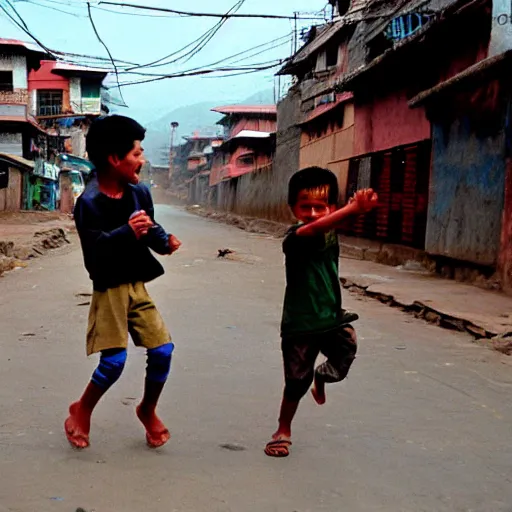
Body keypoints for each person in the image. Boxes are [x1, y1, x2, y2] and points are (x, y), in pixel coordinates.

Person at [64, 115, 182, 450]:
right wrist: (125, 232)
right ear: (115, 159)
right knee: (114, 362)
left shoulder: (139, 193)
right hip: (109, 288)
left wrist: (165, 242)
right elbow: (95, 253)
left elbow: (151, 228)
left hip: (136, 285)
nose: (142, 161)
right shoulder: (88, 203)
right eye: (137, 154)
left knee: (163, 350)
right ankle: (82, 409)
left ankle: (147, 409)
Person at [264, 167, 378, 458]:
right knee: (295, 383)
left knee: (346, 351)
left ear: (332, 207)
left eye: (321, 207)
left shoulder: (330, 233)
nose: (313, 213)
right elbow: (313, 229)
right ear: (293, 208)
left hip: (331, 317)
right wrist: (353, 208)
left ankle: (323, 378)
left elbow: (333, 224)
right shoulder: (295, 236)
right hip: (300, 324)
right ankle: (283, 429)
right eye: (305, 207)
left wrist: (358, 207)